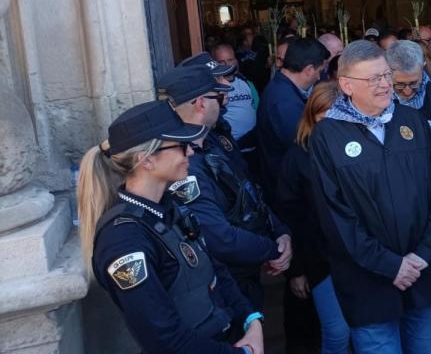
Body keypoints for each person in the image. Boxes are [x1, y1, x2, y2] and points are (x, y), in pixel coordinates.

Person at [77, 100, 265, 354]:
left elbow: (214, 268)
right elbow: (163, 337)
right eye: (180, 146)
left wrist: (251, 319)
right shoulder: (123, 239)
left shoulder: (169, 206)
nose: (189, 153)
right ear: (147, 161)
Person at [309, 41, 431, 353]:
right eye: (372, 78)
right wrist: (390, 265)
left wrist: (423, 254)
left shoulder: (412, 122)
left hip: (422, 271)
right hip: (369, 282)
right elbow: (335, 217)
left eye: (386, 75)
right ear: (346, 85)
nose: (385, 84)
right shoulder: (328, 136)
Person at [158, 66, 292, 309]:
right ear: (201, 103)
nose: (224, 100)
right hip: (225, 287)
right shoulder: (184, 164)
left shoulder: (209, 142)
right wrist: (271, 250)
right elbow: (219, 238)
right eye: (217, 96)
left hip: (245, 273)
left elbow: (247, 190)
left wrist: (280, 231)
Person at [277, 82, 351, 353]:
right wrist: (295, 271)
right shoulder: (297, 157)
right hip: (319, 259)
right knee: (337, 332)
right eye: (323, 120)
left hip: (359, 256)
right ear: (311, 117)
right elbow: (289, 216)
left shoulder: (356, 149)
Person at [256, 38, 329, 206]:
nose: (319, 77)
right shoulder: (284, 103)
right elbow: (303, 145)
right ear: (309, 69)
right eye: (319, 71)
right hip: (288, 192)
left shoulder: (283, 90)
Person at [386, 40, 431, 127]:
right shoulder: (378, 99)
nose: (407, 91)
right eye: (400, 84)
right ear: (387, 71)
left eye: (414, 83)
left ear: (423, 67)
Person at [208, 44, 260, 143]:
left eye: (230, 60)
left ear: (236, 61)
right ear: (214, 64)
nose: (227, 65)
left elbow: (258, 108)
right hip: (230, 145)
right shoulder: (213, 89)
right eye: (221, 62)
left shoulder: (247, 83)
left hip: (253, 142)